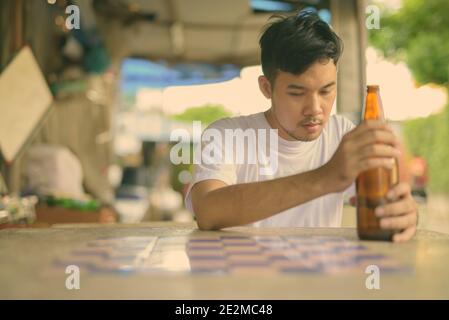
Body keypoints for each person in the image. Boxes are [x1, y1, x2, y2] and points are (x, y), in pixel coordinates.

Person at [186, 11, 417, 242]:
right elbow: (208, 211)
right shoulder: (227, 135)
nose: (315, 108)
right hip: (248, 275)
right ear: (267, 88)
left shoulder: (343, 135)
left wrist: (405, 214)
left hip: (319, 276)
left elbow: (389, 202)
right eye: (297, 93)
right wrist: (326, 178)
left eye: (326, 90)